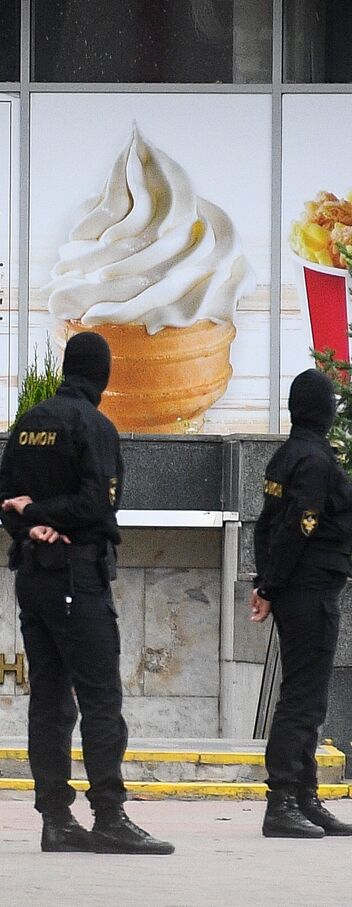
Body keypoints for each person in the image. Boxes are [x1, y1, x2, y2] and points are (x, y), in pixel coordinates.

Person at [0, 332, 173, 855]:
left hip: (33, 579)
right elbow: (97, 505)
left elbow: (6, 498)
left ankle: (56, 820)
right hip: (78, 579)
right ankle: (109, 816)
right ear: (102, 373)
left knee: (50, 701)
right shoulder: (94, 426)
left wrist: (29, 525)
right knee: (100, 698)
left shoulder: (27, 424)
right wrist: (40, 518)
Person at [250, 369, 352, 839]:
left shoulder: (285, 456)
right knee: (302, 698)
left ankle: (304, 796)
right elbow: (301, 525)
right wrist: (272, 588)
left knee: (306, 695)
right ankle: (282, 801)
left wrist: (265, 585)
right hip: (310, 589)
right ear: (326, 410)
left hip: (293, 588)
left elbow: (264, 527)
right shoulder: (315, 460)